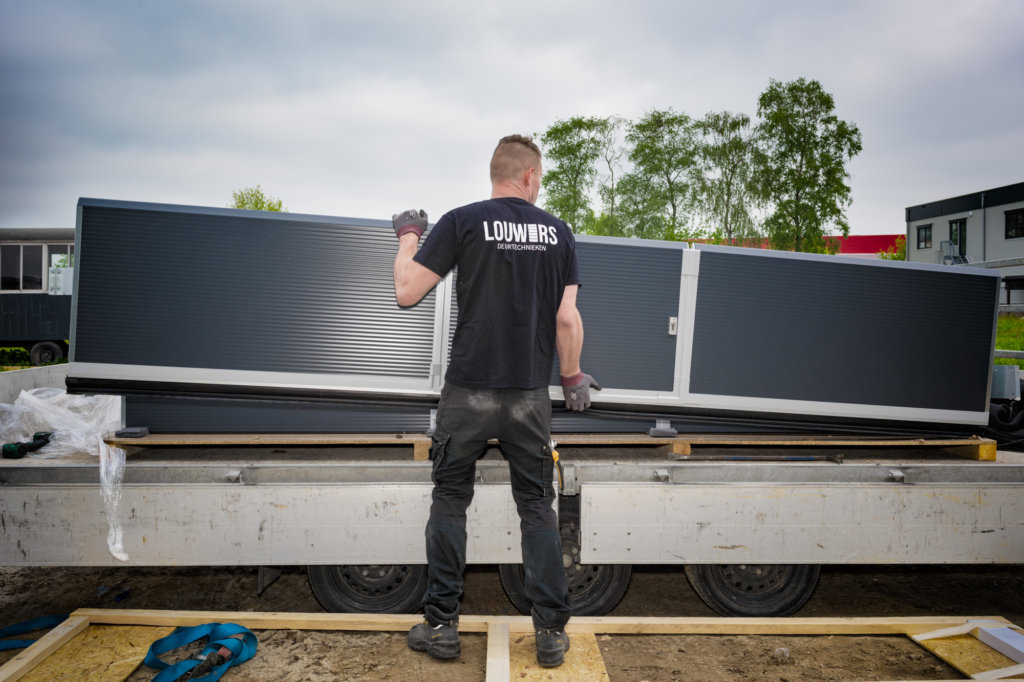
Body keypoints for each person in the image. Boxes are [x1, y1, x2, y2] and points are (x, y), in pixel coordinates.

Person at [391, 134, 600, 668]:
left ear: (497, 173)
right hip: (528, 396)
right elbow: (566, 318)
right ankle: (550, 633)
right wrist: (572, 376)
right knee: (536, 506)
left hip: (467, 392)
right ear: (529, 176)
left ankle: (441, 626)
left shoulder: (463, 221)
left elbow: (407, 291)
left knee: (449, 497)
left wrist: (409, 235)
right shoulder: (559, 232)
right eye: (540, 178)